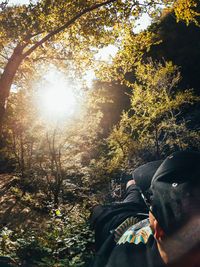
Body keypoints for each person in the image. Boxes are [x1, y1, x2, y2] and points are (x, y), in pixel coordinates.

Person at [90, 151, 200, 267]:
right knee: (132, 189)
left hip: (114, 218)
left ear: (159, 230)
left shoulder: (122, 260)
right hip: (135, 214)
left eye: (151, 203)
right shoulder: (177, 232)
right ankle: (132, 185)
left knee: (98, 209)